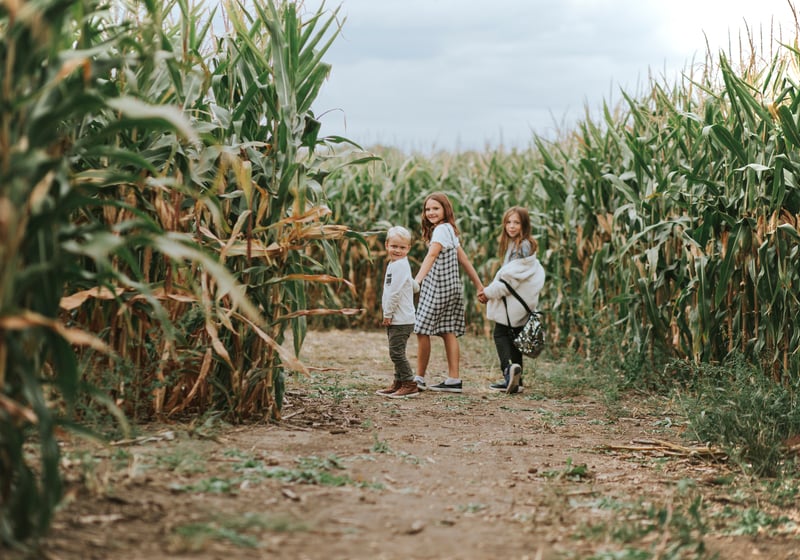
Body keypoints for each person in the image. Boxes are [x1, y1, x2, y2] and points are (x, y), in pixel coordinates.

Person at [413, 192, 483, 393]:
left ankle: (418, 378)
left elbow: (432, 254)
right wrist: (479, 285)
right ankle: (454, 380)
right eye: (428, 209)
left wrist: (417, 280)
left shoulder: (441, 230)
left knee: (421, 329)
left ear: (445, 209)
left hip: (438, 287)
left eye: (436, 208)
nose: (431, 212)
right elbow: (464, 260)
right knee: (447, 330)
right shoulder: (450, 230)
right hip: (452, 287)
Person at [477, 207, 545, 394]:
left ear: (524, 225)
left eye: (516, 222)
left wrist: (488, 293)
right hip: (521, 303)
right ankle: (518, 381)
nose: (511, 226)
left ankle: (508, 372)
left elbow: (510, 280)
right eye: (508, 222)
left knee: (500, 334)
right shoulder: (522, 244)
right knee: (514, 337)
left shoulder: (521, 246)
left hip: (514, 304)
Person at [375, 226, 419, 399]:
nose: (398, 250)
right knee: (396, 350)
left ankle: (409, 383)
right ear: (387, 245)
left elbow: (394, 293)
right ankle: (398, 382)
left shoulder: (399, 265)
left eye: (402, 247)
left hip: (400, 318)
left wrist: (388, 313)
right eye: (394, 246)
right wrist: (413, 284)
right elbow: (413, 286)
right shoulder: (397, 264)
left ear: (408, 248)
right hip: (399, 317)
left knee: (396, 352)